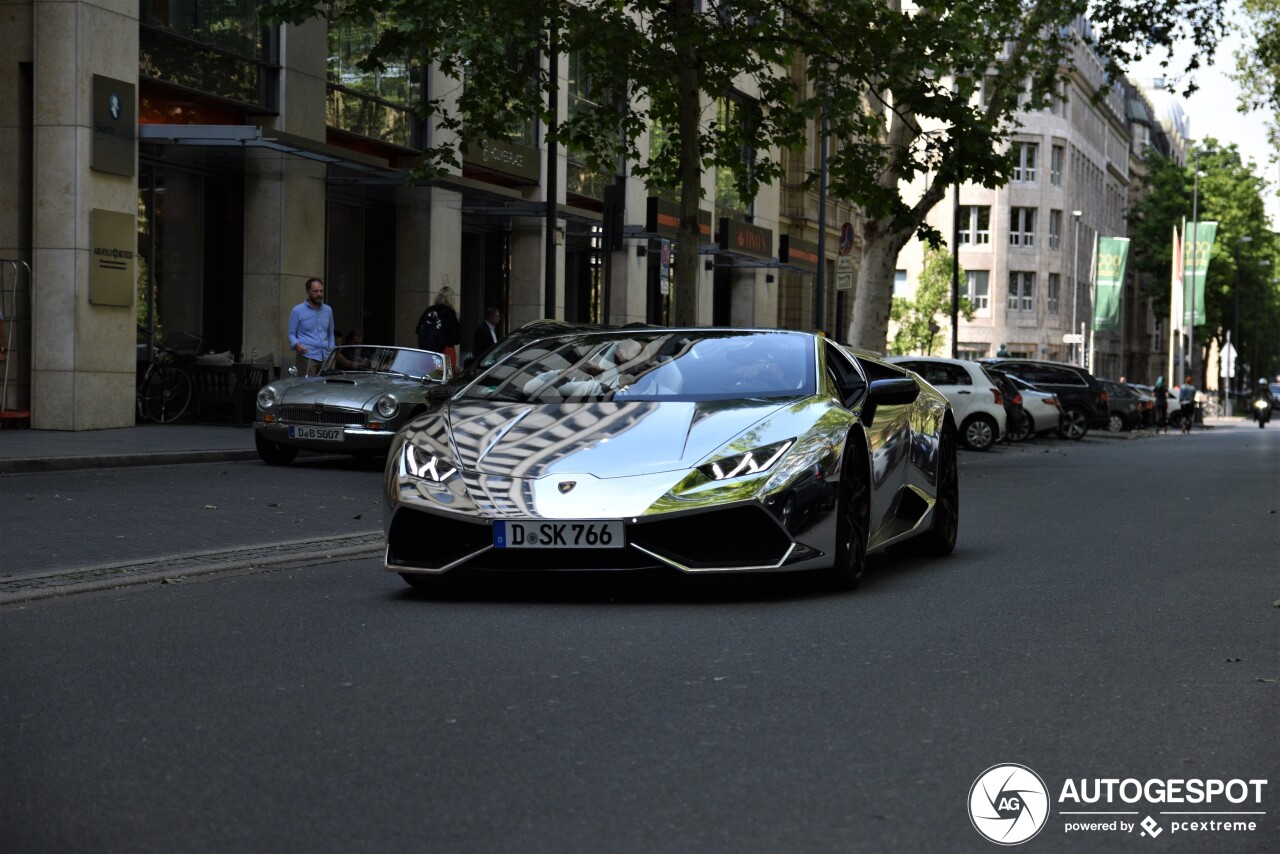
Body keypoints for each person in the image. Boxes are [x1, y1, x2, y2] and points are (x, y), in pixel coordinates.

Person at [288, 277, 334, 377]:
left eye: (321, 291)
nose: (319, 294)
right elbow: (291, 334)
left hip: (326, 356)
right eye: (316, 291)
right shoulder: (297, 311)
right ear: (308, 292)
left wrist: (332, 349)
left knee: (327, 387)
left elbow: (330, 333)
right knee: (308, 388)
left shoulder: (328, 310)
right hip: (307, 355)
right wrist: (297, 345)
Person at [415, 287, 461, 370]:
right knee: (444, 379)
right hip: (445, 352)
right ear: (451, 299)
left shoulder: (428, 310)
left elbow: (418, 330)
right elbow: (456, 338)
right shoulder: (450, 312)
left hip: (426, 353)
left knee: (426, 377)